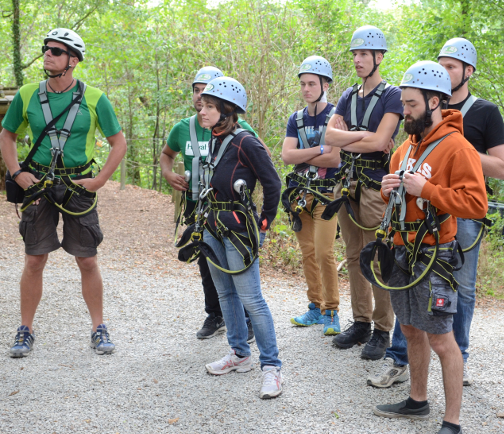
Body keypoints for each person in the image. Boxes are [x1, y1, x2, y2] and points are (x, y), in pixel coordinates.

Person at [368, 37, 504, 389]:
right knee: (411, 294)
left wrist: (454, 161)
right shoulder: (412, 134)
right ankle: (403, 362)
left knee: (459, 290)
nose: (445, 69)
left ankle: (456, 359)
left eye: (452, 65)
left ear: (467, 71)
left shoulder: (483, 113)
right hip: (416, 223)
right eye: (441, 63)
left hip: (458, 218)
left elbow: (498, 168)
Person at [0, 28, 127, 357]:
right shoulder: (27, 94)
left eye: (55, 51)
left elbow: (118, 143)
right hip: (38, 187)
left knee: (87, 260)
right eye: (46, 49)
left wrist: (99, 181)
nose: (47, 54)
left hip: (78, 186)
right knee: (34, 260)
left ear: (72, 60)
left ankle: (99, 327)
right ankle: (25, 329)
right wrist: (17, 172)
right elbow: (8, 135)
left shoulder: (95, 98)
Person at [160, 66, 262, 342]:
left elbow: (259, 162)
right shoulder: (183, 128)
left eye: (206, 91)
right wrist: (168, 174)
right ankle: (215, 315)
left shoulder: (241, 129)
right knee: (206, 262)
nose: (199, 95)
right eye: (196, 90)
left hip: (231, 209)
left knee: (238, 263)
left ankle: (248, 318)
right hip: (198, 206)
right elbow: (167, 155)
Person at [196, 76, 283, 399]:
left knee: (251, 298)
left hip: (238, 229)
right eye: (202, 105)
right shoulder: (215, 139)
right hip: (213, 224)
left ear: (227, 110)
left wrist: (264, 223)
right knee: (225, 294)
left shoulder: (246, 142)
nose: (201, 111)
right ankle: (239, 354)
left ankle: (272, 367)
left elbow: (272, 183)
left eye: (209, 107)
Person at [324, 25, 403, 359]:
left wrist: (351, 136)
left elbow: (382, 141)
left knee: (377, 257)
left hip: (374, 187)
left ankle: (383, 330)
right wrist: (363, 136)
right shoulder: (347, 95)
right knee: (354, 256)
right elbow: (330, 137)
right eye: (355, 54)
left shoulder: (392, 95)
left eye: (363, 55)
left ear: (378, 57)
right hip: (348, 184)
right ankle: (361, 322)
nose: (357, 60)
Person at [281, 56, 341, 335]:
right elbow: (286, 156)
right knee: (307, 253)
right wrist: (318, 151)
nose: (306, 89)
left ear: (325, 84)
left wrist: (305, 156)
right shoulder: (296, 119)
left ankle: (332, 310)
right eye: (303, 84)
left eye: (312, 84)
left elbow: (335, 159)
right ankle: (315, 307)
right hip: (300, 195)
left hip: (328, 195)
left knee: (324, 252)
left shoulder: (336, 117)